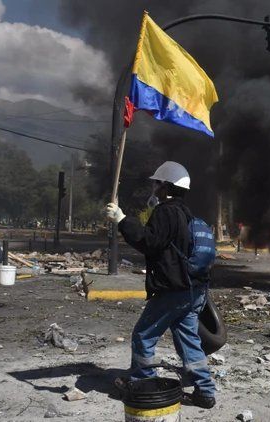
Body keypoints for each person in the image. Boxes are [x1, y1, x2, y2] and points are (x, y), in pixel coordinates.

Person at [104, 161, 216, 409]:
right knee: (189, 341)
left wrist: (122, 220)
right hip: (192, 290)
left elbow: (149, 242)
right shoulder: (186, 213)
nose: (153, 188)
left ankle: (143, 383)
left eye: (156, 184)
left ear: (166, 186)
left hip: (173, 291)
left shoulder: (166, 212)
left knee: (143, 335)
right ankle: (205, 392)